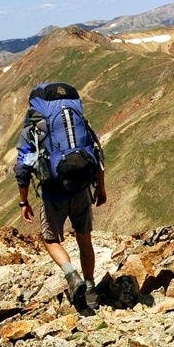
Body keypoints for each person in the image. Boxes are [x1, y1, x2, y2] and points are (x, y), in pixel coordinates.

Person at [15, 82, 107, 310]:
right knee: (84, 238)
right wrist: (100, 188)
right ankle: (90, 288)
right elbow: (97, 154)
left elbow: (22, 169)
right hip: (81, 188)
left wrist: (23, 201)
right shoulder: (80, 123)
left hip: (53, 192)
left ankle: (71, 275)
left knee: (50, 239)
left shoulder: (33, 130)